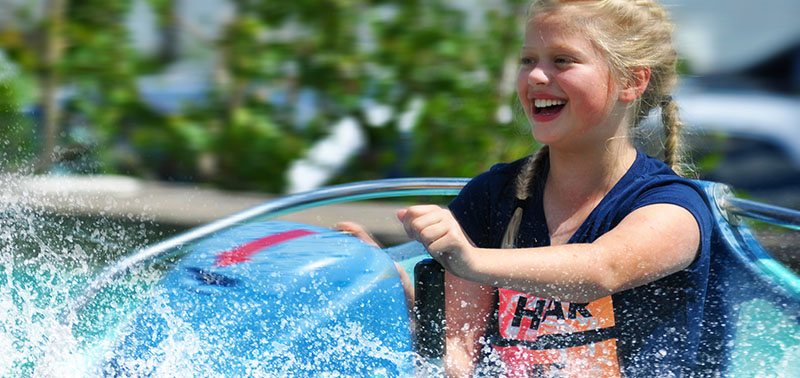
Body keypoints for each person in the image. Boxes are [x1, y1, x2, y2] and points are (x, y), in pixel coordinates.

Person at [393, 0, 713, 377]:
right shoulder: (492, 198)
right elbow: (459, 354)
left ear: (632, 81)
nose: (536, 77)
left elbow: (600, 270)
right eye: (528, 60)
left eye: (562, 60)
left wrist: (471, 261)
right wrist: (394, 288)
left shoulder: (672, 208)